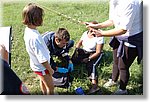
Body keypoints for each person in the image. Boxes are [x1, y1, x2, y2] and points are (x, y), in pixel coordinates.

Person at [86, 0, 143, 95]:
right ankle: (113, 80)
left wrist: (102, 33)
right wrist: (96, 25)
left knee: (123, 66)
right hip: (118, 35)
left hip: (132, 38)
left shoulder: (130, 3)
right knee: (116, 60)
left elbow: (123, 30)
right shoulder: (114, 1)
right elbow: (112, 20)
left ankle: (122, 89)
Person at [22, 3, 54, 95]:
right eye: (41, 16)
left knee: (43, 80)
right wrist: (50, 69)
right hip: (43, 67)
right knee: (50, 88)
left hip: (35, 65)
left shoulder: (28, 30)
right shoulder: (35, 38)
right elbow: (42, 59)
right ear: (37, 19)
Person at [71, 21, 104, 94]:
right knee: (73, 59)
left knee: (91, 65)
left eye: (95, 29)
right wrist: (76, 51)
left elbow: (98, 52)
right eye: (91, 28)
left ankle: (95, 86)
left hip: (94, 53)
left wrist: (89, 59)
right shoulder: (85, 34)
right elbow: (79, 43)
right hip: (85, 51)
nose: (93, 31)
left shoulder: (99, 36)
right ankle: (70, 73)